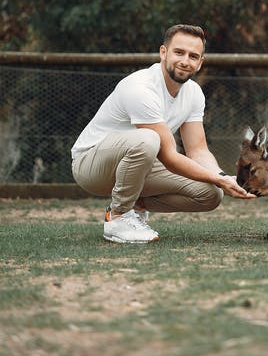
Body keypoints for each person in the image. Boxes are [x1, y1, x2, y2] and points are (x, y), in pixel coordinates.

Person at [71, 24, 255, 244]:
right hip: (90, 165)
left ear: (200, 63)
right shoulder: (141, 87)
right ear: (163, 52)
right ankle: (118, 216)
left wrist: (223, 178)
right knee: (149, 140)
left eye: (193, 56)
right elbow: (168, 155)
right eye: (179, 52)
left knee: (211, 194)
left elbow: (198, 150)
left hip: (139, 162)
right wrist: (217, 178)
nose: (185, 61)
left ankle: (135, 207)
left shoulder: (194, 93)